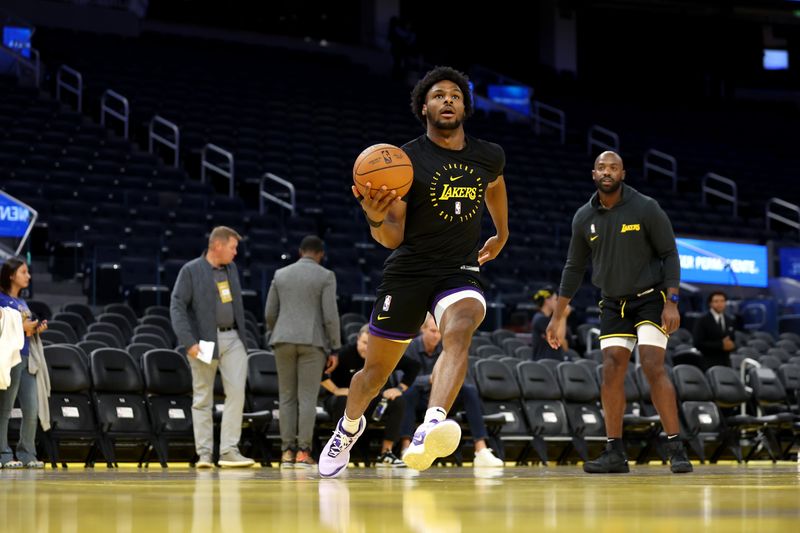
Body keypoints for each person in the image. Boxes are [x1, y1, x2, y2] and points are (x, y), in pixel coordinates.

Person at [318, 66, 509, 477]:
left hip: (460, 269)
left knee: (460, 328)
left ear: (465, 107)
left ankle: (431, 426)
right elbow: (392, 238)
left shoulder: (488, 154)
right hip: (409, 270)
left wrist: (502, 232)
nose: (448, 100)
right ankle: (348, 429)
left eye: (456, 96)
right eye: (439, 95)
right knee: (373, 375)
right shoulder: (403, 161)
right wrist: (373, 217)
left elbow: (494, 184)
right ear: (424, 106)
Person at [546, 151, 693, 474]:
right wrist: (558, 316)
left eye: (613, 167)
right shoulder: (584, 217)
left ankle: (676, 446)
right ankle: (614, 451)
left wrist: (672, 300)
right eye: (602, 167)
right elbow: (574, 267)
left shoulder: (646, 207)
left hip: (650, 298)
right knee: (611, 367)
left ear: (623, 173)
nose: (607, 172)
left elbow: (669, 253)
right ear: (593, 174)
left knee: (653, 365)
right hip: (612, 301)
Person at [170, 226, 254, 468]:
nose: (236, 252)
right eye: (232, 247)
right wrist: (189, 342)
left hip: (233, 339)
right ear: (217, 245)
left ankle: (228, 451)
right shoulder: (191, 270)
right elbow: (177, 307)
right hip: (204, 341)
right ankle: (205, 453)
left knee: (237, 393)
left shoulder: (232, 269)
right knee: (203, 397)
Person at [265, 235, 341, 468]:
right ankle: (303, 452)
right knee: (307, 398)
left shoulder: (281, 274)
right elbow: (330, 316)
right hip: (312, 341)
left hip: (282, 339)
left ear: (300, 252)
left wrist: (278, 331)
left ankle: (286, 452)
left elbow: (269, 313)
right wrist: (335, 347)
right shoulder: (325, 276)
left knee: (286, 397)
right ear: (320, 254)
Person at [400, 315, 503, 467]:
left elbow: (457, 375)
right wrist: (430, 379)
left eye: (438, 332)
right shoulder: (411, 348)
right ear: (422, 330)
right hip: (420, 398)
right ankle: (406, 448)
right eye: (432, 331)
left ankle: (481, 450)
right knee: (409, 394)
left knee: (469, 390)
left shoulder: (446, 346)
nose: (436, 335)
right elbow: (402, 380)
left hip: (444, 401)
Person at [322, 324, 419, 467]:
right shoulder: (344, 354)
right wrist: (336, 389)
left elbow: (413, 366)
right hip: (339, 400)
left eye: (370, 345)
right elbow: (319, 371)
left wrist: (398, 388)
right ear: (357, 340)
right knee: (343, 400)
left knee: (397, 401)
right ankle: (340, 450)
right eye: (364, 343)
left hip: (369, 400)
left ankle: (386, 453)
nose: (367, 348)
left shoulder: (381, 355)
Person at [0, 257, 48, 469]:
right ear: (11, 275)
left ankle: (27, 453)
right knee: (5, 409)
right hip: (10, 357)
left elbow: (23, 329)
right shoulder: (1, 299)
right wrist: (23, 327)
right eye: (23, 272)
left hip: (28, 357)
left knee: (31, 408)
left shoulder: (23, 302)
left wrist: (34, 330)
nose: (28, 276)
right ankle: (3, 454)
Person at [693, 291, 736, 369]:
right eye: (716, 301)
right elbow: (697, 343)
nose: (720, 304)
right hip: (708, 363)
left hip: (726, 363)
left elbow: (732, 340)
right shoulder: (702, 320)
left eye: (722, 301)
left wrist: (732, 346)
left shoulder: (729, 320)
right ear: (710, 303)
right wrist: (721, 345)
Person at [530, 285, 569, 360]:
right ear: (547, 300)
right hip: (544, 363)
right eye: (556, 299)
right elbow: (560, 340)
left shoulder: (553, 320)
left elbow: (565, 347)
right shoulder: (540, 319)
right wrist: (563, 316)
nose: (558, 303)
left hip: (555, 362)